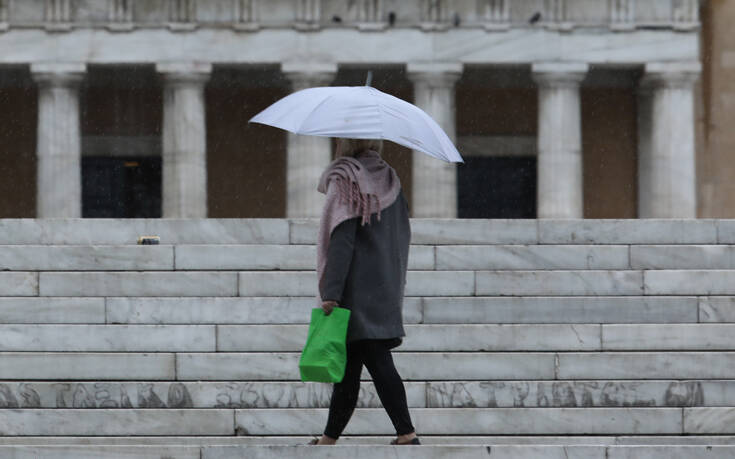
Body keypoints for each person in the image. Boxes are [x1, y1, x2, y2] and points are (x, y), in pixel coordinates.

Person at [311, 137, 419, 446]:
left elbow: (342, 239)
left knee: (376, 360)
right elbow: (401, 231)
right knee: (348, 371)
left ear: (346, 144)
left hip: (355, 290)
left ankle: (407, 434)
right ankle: (329, 439)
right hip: (383, 283)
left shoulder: (346, 178)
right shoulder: (391, 179)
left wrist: (331, 291)